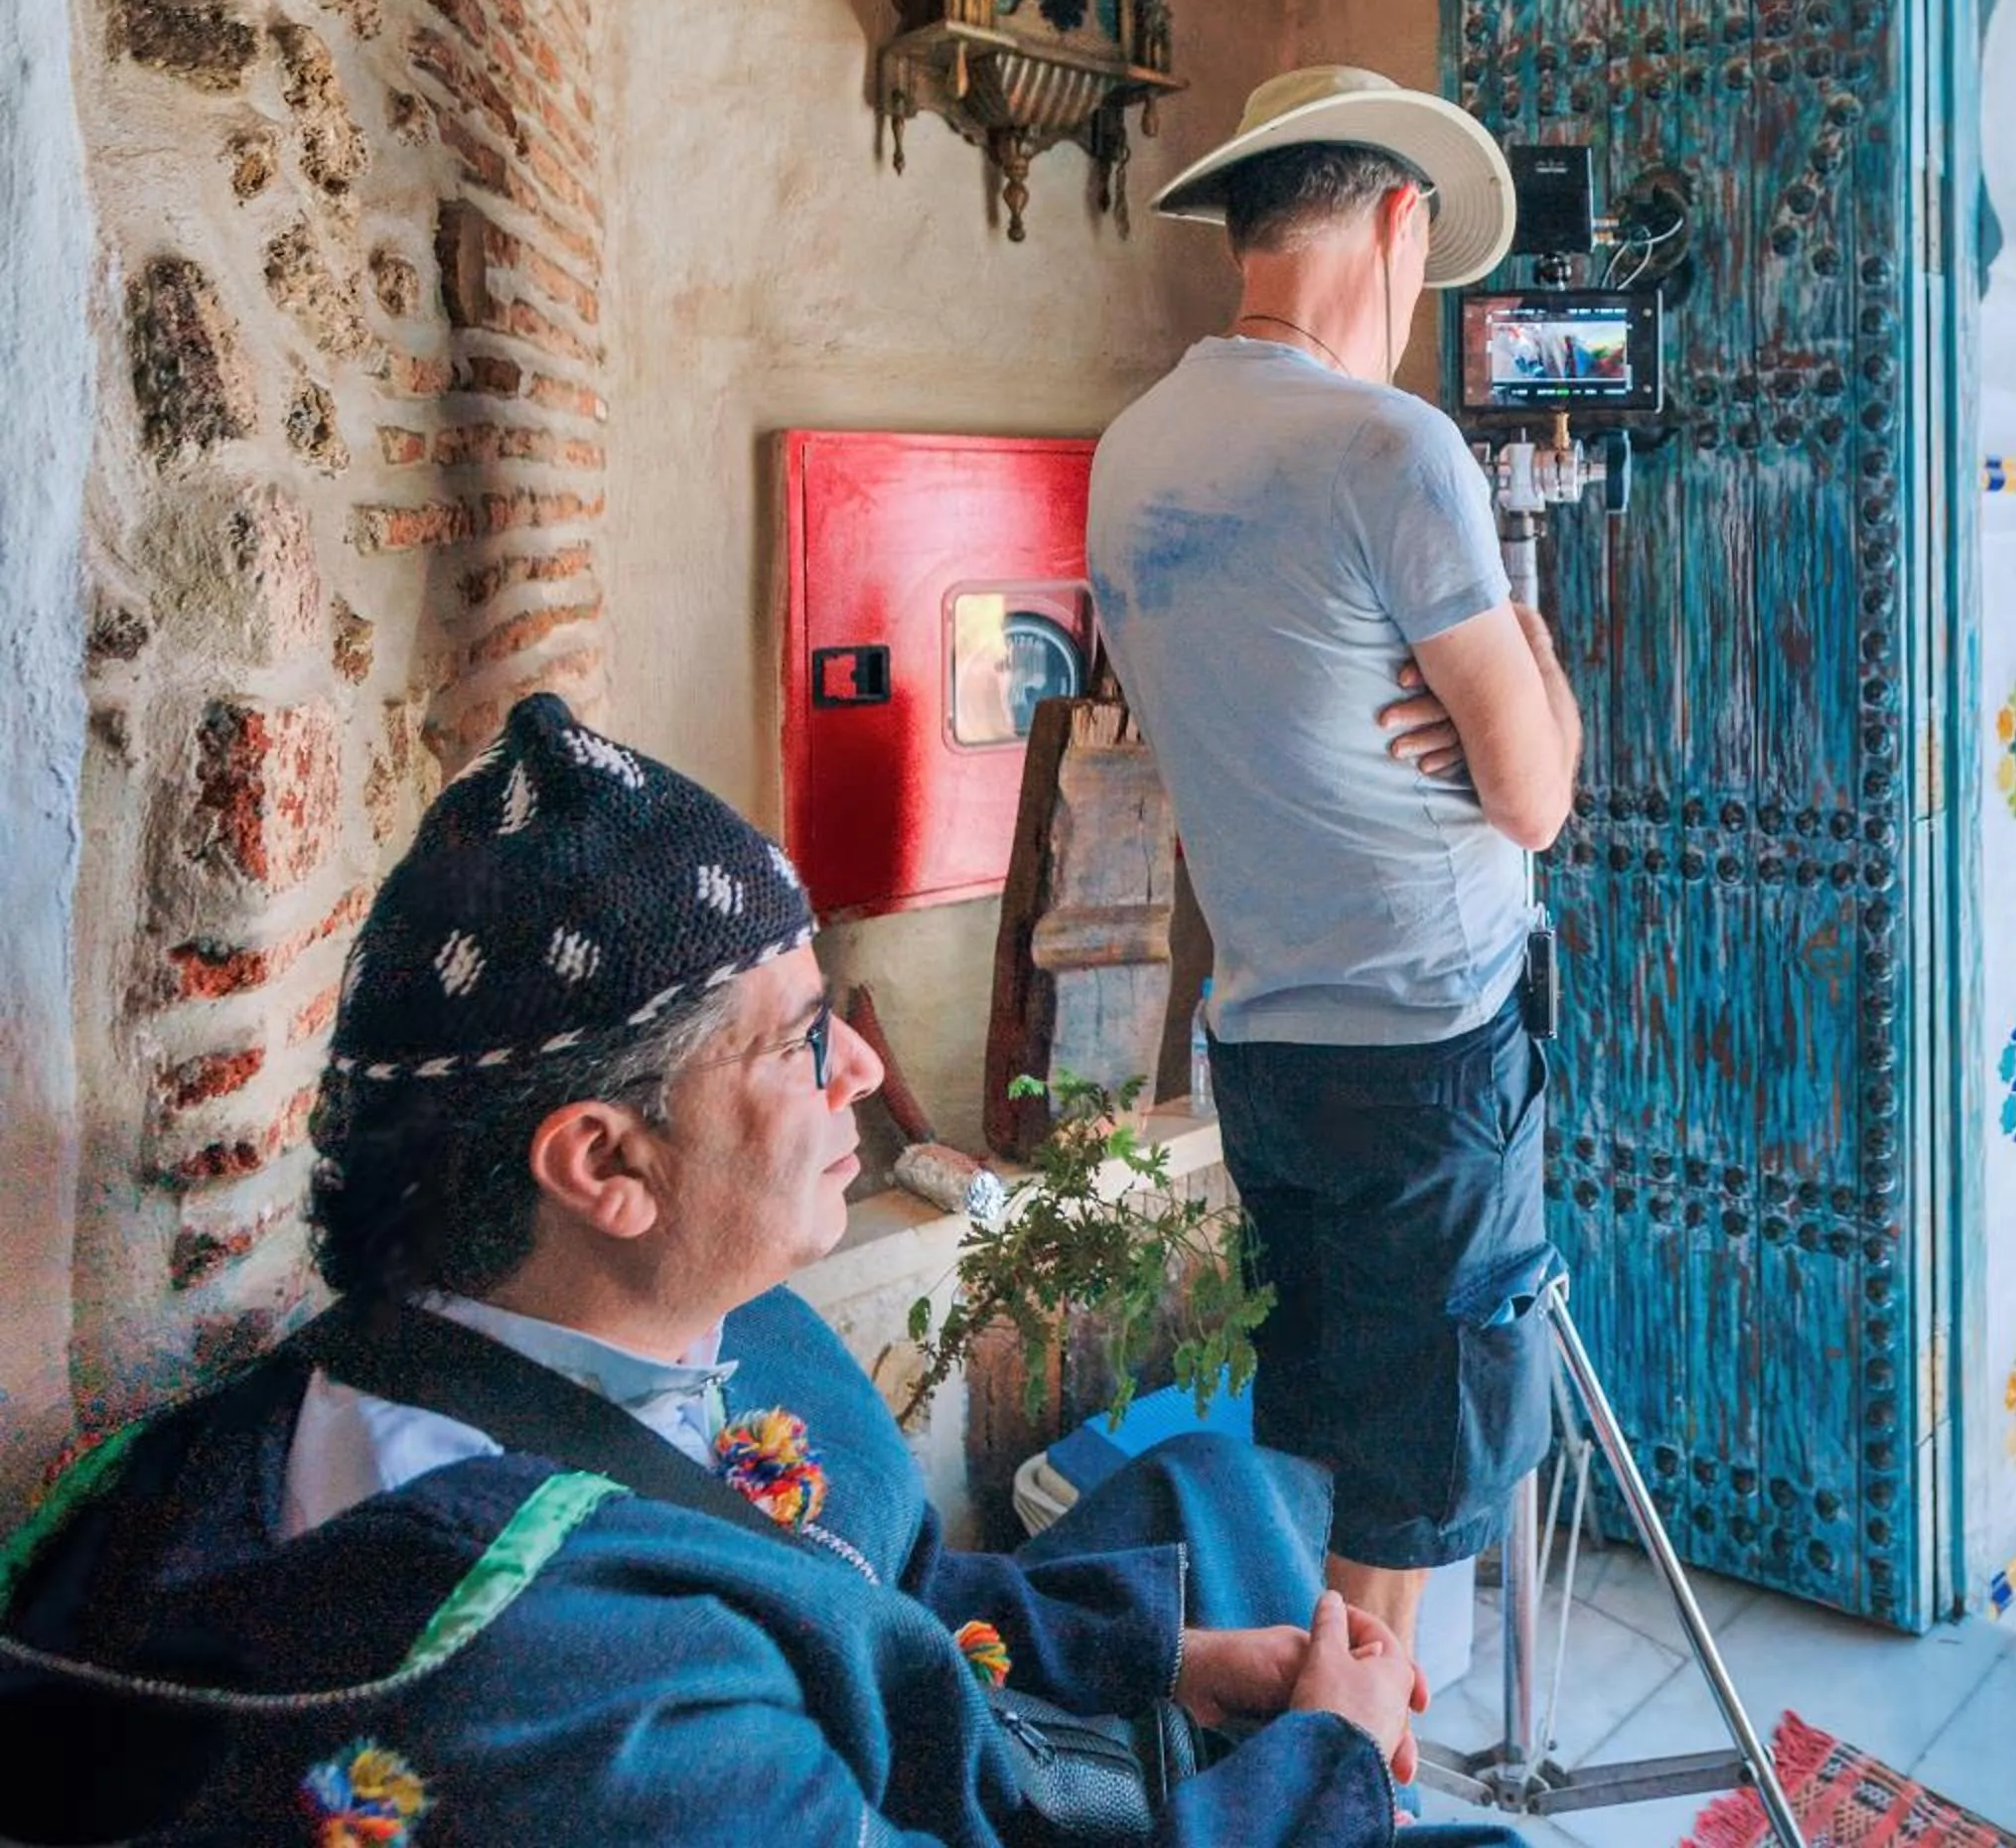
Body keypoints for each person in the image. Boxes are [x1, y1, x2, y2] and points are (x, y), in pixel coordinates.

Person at [0, 694, 1520, 1848]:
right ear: (605, 1165)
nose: (862, 1060)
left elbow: (871, 1586)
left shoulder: (676, 1326)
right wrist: (1319, 1768)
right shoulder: (579, 1701)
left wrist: (1177, 1660)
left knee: (1221, 1493)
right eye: (796, 1041)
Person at [1089, 67, 1581, 1648]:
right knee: (1407, 1526)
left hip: (1269, 1052)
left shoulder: (1133, 450)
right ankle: (1353, 1792)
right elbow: (1533, 796)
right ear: (1395, 219)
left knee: (1323, 1465)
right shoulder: (1390, 445)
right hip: (1428, 1055)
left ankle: (1313, 1764)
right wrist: (1528, 654)